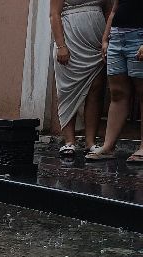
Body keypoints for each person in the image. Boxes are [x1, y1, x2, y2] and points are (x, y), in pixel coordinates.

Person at [50, 0, 108, 157]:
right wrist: (61, 46)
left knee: (96, 89)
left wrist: (107, 39)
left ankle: (90, 142)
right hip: (70, 40)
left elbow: (110, 10)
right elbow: (54, 14)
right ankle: (69, 141)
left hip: (95, 43)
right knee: (67, 90)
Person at [88, 0, 143, 161]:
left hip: (139, 36)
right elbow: (114, 9)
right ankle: (108, 146)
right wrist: (106, 39)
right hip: (117, 36)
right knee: (117, 93)